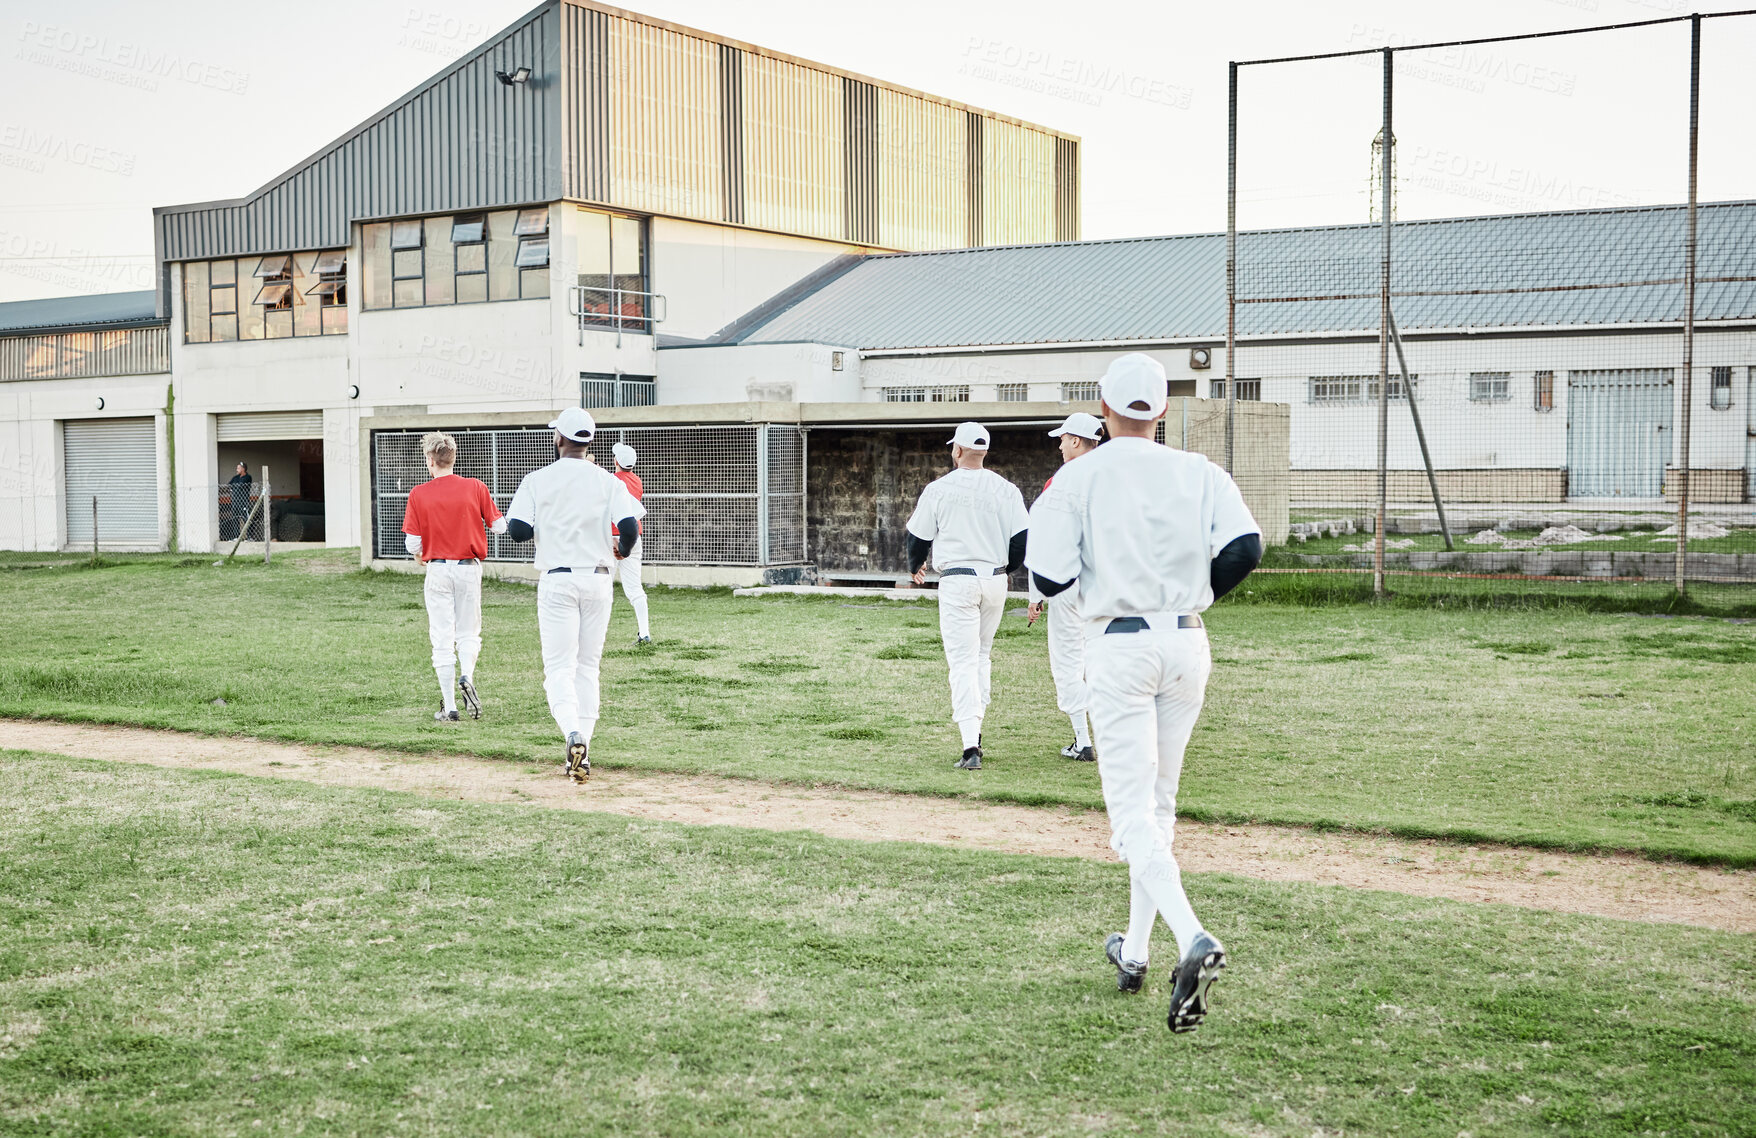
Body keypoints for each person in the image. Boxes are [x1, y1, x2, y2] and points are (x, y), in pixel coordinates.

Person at [1025, 353, 1263, 1035]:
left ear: (1102, 409)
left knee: (1131, 817)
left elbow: (1045, 579)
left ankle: (1192, 937)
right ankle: (1133, 953)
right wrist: (1193, 595)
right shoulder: (1199, 470)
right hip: (1188, 641)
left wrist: (1104, 582)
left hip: (1121, 643)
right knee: (1158, 807)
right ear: (1160, 411)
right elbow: (1247, 548)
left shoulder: (1077, 477)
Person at [505, 407, 644, 783]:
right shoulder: (609, 481)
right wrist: (624, 550)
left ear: (560, 439)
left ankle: (571, 733)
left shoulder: (538, 478)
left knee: (559, 668)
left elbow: (517, 530)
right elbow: (630, 526)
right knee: (588, 667)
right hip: (599, 578)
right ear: (589, 442)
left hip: (558, 579)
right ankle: (584, 752)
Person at [905, 421, 1030, 771]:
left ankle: (970, 746)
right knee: (982, 656)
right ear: (984, 451)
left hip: (958, 581)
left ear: (957, 450)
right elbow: (1021, 539)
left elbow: (917, 536)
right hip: (995, 580)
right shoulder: (1006, 489)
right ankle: (978, 728)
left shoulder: (939, 488)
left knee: (962, 661)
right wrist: (1006, 571)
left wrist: (915, 566)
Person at [401, 431, 506, 722]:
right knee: (469, 632)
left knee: (442, 637)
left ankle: (450, 707)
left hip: (437, 568)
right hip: (468, 567)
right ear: (453, 458)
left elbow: (412, 543)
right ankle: (467, 675)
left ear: (430, 461)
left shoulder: (419, 493)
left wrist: (421, 552)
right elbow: (498, 527)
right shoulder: (475, 487)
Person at [1026, 411, 1106, 763]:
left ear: (1076, 440)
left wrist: (1037, 595)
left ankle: (1082, 740)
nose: (1059, 445)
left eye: (1063, 439)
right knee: (1106, 660)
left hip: (1068, 582)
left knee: (1068, 662)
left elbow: (1044, 539)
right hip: (1110, 584)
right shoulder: (1114, 476)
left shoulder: (1061, 482)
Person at [610, 441, 653, 645]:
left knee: (600, 587)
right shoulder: (637, 481)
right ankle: (644, 633)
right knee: (635, 588)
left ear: (616, 461)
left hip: (611, 537)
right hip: (634, 537)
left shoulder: (611, 480)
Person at [223, 462, 253, 540]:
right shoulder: (235, 477)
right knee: (235, 519)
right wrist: (233, 487)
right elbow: (228, 486)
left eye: (238, 468)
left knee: (246, 518)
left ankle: (249, 537)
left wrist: (233, 487)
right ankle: (236, 537)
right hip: (235, 502)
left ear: (243, 469)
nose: (237, 469)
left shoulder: (248, 477)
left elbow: (240, 486)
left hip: (243, 502)